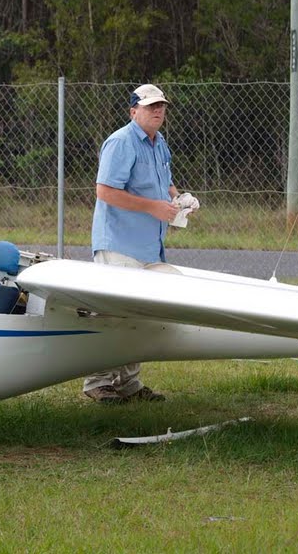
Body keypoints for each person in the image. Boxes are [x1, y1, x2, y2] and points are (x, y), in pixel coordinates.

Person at [85, 83, 199, 404]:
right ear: (133, 111)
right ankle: (98, 381)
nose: (158, 111)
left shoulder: (159, 143)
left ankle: (128, 383)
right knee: (113, 315)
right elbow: (105, 191)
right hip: (119, 244)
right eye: (151, 106)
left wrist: (180, 198)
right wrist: (152, 208)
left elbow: (165, 182)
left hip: (150, 247)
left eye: (161, 106)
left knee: (142, 315)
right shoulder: (121, 142)